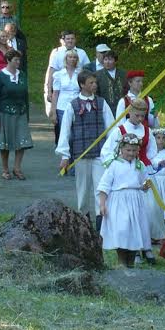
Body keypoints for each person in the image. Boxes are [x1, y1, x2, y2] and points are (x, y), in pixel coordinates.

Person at [57, 72, 114, 227]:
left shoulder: (102, 103)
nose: (94, 85)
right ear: (82, 85)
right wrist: (64, 155)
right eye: (91, 83)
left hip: (99, 154)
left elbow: (111, 128)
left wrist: (113, 150)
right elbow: (65, 131)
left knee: (100, 187)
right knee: (82, 189)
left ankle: (100, 221)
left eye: (95, 83)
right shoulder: (73, 105)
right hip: (80, 153)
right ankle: (83, 219)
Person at [98, 133, 153, 268]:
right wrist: (102, 204)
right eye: (128, 150)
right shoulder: (114, 165)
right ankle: (122, 262)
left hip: (135, 202)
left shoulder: (139, 165)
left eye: (134, 150)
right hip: (119, 202)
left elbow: (144, 183)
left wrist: (145, 186)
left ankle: (131, 262)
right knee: (122, 231)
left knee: (134, 231)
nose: (131, 153)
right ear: (121, 149)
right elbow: (104, 186)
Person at [0, 49, 32, 180]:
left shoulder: (22, 75)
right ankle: (5, 169)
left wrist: (27, 115)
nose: (18, 62)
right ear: (8, 60)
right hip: (5, 114)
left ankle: (17, 168)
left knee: (22, 141)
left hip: (21, 113)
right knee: (5, 143)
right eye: (16, 60)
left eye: (19, 60)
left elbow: (26, 96)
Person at [45, 30, 90, 120]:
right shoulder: (57, 53)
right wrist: (49, 91)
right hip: (61, 90)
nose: (70, 40)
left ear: (75, 40)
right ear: (63, 40)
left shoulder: (82, 53)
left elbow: (88, 72)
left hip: (77, 90)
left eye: (72, 38)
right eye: (68, 38)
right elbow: (51, 72)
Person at [101, 96, 159, 165]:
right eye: (137, 115)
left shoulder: (147, 131)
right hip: (124, 168)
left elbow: (152, 152)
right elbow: (106, 151)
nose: (140, 119)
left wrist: (156, 162)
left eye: (142, 116)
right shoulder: (119, 131)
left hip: (144, 169)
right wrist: (117, 162)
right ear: (129, 112)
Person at [50, 49, 81, 143]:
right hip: (62, 107)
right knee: (64, 133)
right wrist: (53, 111)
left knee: (75, 133)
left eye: (74, 57)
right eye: (70, 57)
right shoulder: (58, 75)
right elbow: (55, 93)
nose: (72, 59)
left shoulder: (80, 74)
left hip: (77, 106)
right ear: (66, 59)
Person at [149, 128, 165, 225]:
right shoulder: (150, 154)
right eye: (158, 138)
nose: (161, 140)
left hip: (164, 182)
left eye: (163, 138)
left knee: (164, 200)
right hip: (154, 181)